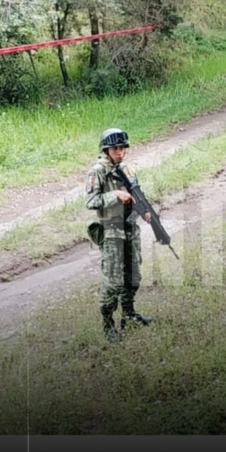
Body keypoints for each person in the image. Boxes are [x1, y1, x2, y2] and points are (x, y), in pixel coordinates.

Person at [85, 128, 154, 342]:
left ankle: (129, 315)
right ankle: (107, 324)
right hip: (111, 230)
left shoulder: (128, 169)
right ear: (106, 149)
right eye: (116, 148)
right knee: (114, 281)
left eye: (123, 148)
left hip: (130, 228)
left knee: (133, 277)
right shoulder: (98, 171)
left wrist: (145, 212)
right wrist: (115, 194)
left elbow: (136, 195)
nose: (121, 152)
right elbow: (91, 202)